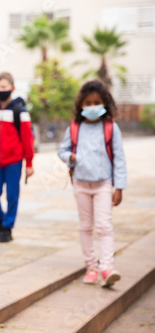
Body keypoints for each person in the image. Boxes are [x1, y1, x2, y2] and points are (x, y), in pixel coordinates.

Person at [58, 79, 126, 288]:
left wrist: (119, 187)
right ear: (81, 105)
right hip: (80, 184)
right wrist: (71, 157)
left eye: (96, 102)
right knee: (86, 227)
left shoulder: (110, 128)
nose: (92, 107)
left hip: (104, 184)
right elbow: (62, 150)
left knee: (104, 226)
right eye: (87, 103)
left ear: (105, 103)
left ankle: (107, 267)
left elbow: (119, 158)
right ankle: (91, 267)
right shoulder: (75, 127)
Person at [0, 72, 35, 243]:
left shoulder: (21, 111)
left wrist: (29, 163)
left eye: (4, 87)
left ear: (12, 87)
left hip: (14, 162)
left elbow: (27, 139)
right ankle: (1, 219)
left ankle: (7, 227)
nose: (0, 90)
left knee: (12, 195)